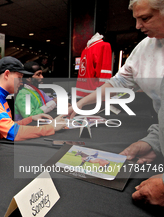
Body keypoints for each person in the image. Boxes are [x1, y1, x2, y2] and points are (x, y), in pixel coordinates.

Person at [68, 0, 164, 206]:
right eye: (136, 19)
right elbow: (118, 83)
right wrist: (153, 143)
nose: (138, 26)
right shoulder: (145, 48)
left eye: (145, 18)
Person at [0, 56, 66, 141]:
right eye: (19, 78)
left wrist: (31, 119)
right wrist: (51, 128)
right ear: (7, 74)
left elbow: (8, 125)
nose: (21, 82)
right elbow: (12, 132)